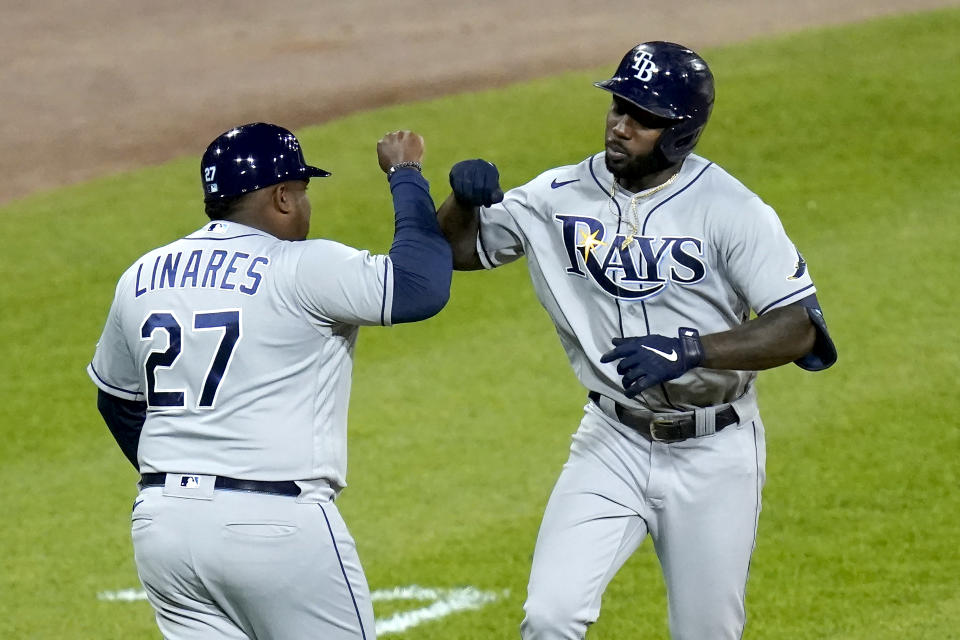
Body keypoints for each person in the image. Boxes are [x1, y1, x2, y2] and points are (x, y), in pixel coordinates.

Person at [437, 42, 837, 639]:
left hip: (715, 451)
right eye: (619, 106)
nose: (621, 125)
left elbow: (800, 325)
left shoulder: (731, 209)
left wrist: (692, 350)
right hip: (611, 440)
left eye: (642, 117)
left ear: (680, 132)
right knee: (550, 617)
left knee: (707, 632)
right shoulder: (557, 195)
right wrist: (461, 205)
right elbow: (453, 251)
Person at [86, 122, 450, 640]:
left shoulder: (141, 274)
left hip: (162, 525)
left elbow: (116, 401)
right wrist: (406, 173)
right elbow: (418, 288)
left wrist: (188, 477)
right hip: (274, 526)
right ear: (281, 197)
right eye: (302, 192)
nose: (305, 207)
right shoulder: (300, 267)